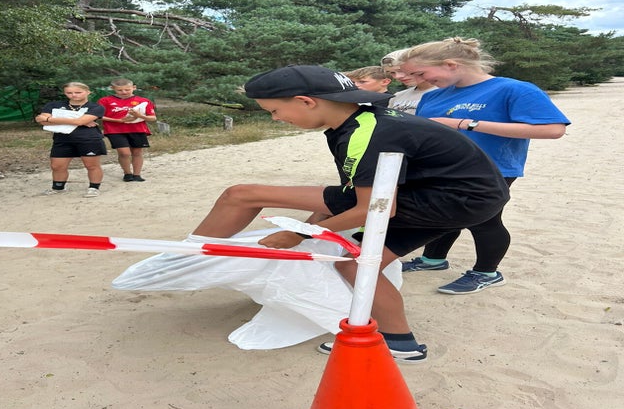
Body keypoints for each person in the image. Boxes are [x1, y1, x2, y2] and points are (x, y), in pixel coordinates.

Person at [191, 65, 510, 362]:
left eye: (274, 110)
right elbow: (357, 193)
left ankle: (188, 257)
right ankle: (401, 343)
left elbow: (373, 208)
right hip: (463, 199)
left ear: (306, 101)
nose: (275, 118)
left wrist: (300, 234)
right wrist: (314, 226)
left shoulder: (367, 133)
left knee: (241, 194)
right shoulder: (360, 120)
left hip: (449, 200)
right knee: (355, 264)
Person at [397, 37, 569, 294]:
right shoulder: (433, 96)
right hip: (439, 168)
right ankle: (433, 259)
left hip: (492, 167)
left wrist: (465, 124)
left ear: (450, 64)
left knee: (483, 221)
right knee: (441, 213)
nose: (417, 80)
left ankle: (487, 272)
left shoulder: (514, 89)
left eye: (420, 73)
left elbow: (553, 129)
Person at [35, 82, 106, 198]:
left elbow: (80, 122)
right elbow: (42, 121)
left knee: (91, 165)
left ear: (88, 92)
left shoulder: (95, 107)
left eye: (78, 92)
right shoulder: (54, 105)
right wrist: (77, 121)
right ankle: (58, 187)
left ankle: (94, 188)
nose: (74, 95)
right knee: (57, 166)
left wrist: (51, 119)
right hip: (62, 139)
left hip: (88, 139)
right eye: (69, 93)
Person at [98, 78, 157, 182]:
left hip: (137, 129)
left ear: (134, 87)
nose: (124, 92)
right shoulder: (105, 100)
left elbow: (152, 118)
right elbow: (98, 116)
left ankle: (137, 174)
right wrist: (118, 120)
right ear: (112, 88)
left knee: (137, 152)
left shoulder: (143, 101)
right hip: (115, 130)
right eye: (120, 90)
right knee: (124, 153)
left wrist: (139, 116)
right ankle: (127, 173)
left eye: (127, 89)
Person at [380, 49, 437, 115]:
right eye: (392, 72)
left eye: (401, 70)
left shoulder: (444, 93)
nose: (397, 76)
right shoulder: (397, 96)